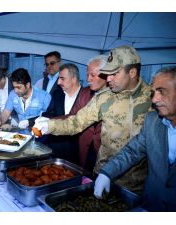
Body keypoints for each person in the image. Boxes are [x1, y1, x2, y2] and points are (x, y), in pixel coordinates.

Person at [34, 45, 152, 193]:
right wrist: (50, 125)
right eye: (107, 73)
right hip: (101, 175)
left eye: (114, 74)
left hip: (136, 185)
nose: (108, 79)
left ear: (132, 72)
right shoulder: (104, 98)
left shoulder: (155, 99)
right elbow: (77, 122)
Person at [94, 66, 176, 211]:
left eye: (161, 91)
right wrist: (107, 173)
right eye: (153, 91)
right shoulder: (152, 121)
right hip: (151, 205)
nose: (155, 99)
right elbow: (132, 152)